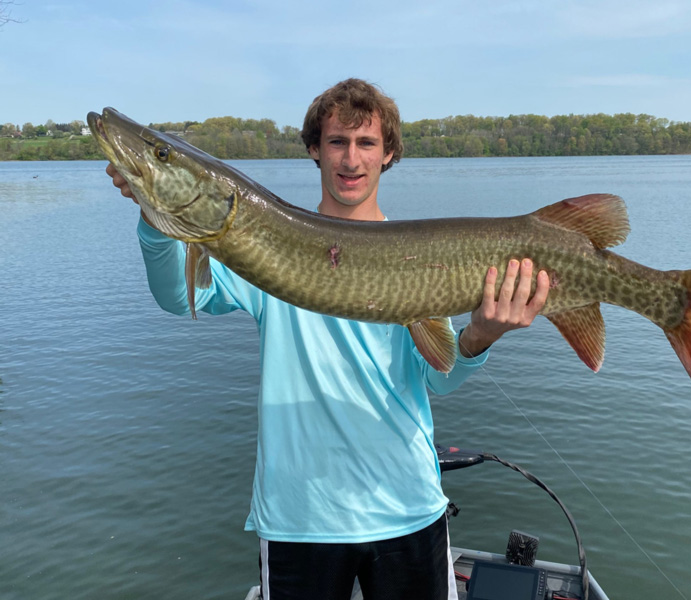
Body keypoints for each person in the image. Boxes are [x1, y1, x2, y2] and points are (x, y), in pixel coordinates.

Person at [106, 78, 549, 600]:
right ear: (315, 149)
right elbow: (181, 299)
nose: (351, 159)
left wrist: (481, 334)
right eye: (337, 142)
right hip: (299, 518)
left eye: (366, 143)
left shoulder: (424, 258)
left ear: (388, 155)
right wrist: (156, 219)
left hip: (406, 507)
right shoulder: (255, 248)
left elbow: (438, 377)